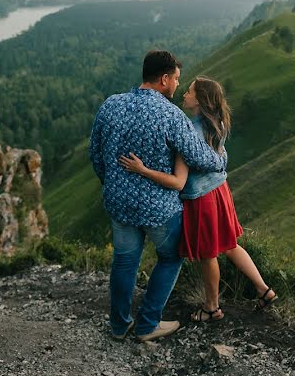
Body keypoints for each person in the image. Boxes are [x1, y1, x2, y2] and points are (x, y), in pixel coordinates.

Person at [90, 51, 227, 342]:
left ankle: (118, 325)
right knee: (171, 257)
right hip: (159, 208)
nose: (178, 85)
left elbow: (96, 155)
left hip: (120, 203)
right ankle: (148, 324)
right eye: (176, 79)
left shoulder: (110, 105)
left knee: (124, 262)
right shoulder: (170, 114)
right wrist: (221, 160)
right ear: (164, 79)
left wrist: (112, 183)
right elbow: (198, 156)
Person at [118, 76, 277, 323]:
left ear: (200, 100)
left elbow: (179, 179)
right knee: (230, 245)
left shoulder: (191, 132)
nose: (184, 94)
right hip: (219, 191)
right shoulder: (218, 123)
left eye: (190, 92)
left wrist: (143, 169)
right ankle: (263, 289)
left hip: (201, 198)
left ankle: (212, 307)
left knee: (208, 254)